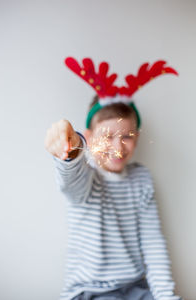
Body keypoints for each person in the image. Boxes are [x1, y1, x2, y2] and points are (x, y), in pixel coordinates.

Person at [44, 58, 182, 300]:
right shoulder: (87, 175)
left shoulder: (141, 179)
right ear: (89, 136)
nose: (118, 146)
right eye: (107, 136)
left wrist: (165, 295)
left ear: (137, 138)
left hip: (136, 287)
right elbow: (71, 179)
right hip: (91, 291)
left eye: (127, 136)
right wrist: (72, 148)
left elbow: (152, 243)